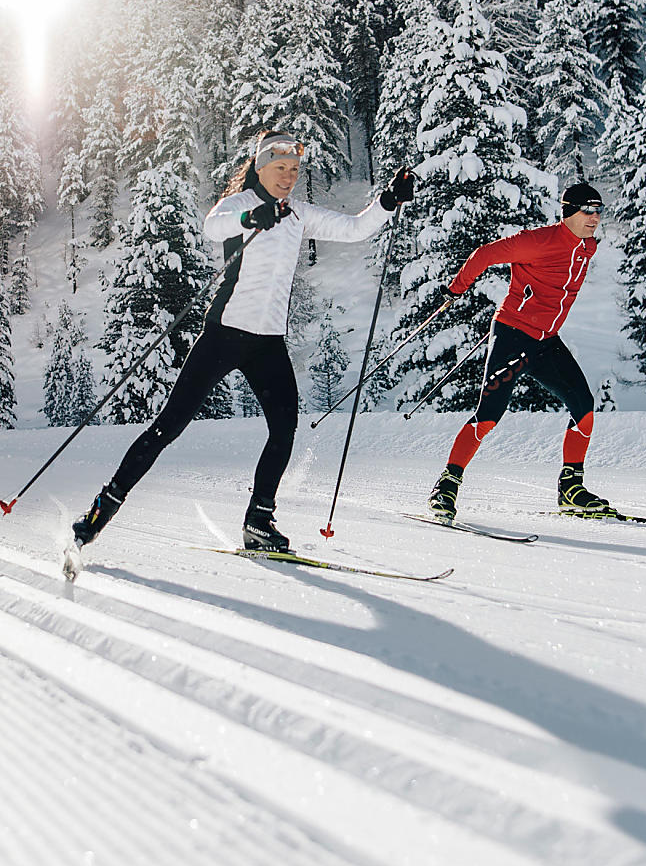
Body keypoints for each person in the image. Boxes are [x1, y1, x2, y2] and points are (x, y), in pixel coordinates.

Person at [72, 131, 414, 553]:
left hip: (267, 341)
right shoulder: (239, 205)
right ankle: (103, 507)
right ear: (260, 166)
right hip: (224, 334)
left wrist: (387, 201)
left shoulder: (299, 214)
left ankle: (259, 520)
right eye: (280, 168)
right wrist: (251, 219)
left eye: (293, 170)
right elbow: (212, 225)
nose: (288, 177)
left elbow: (355, 228)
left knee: (284, 425)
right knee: (168, 426)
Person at [426, 181, 614, 520]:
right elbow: (484, 255)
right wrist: (455, 290)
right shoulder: (538, 241)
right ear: (569, 211)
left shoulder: (587, 247)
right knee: (488, 415)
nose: (594, 217)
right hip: (514, 336)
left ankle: (571, 490)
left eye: (599, 210)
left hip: (546, 341)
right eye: (587, 210)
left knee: (584, 408)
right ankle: (447, 485)